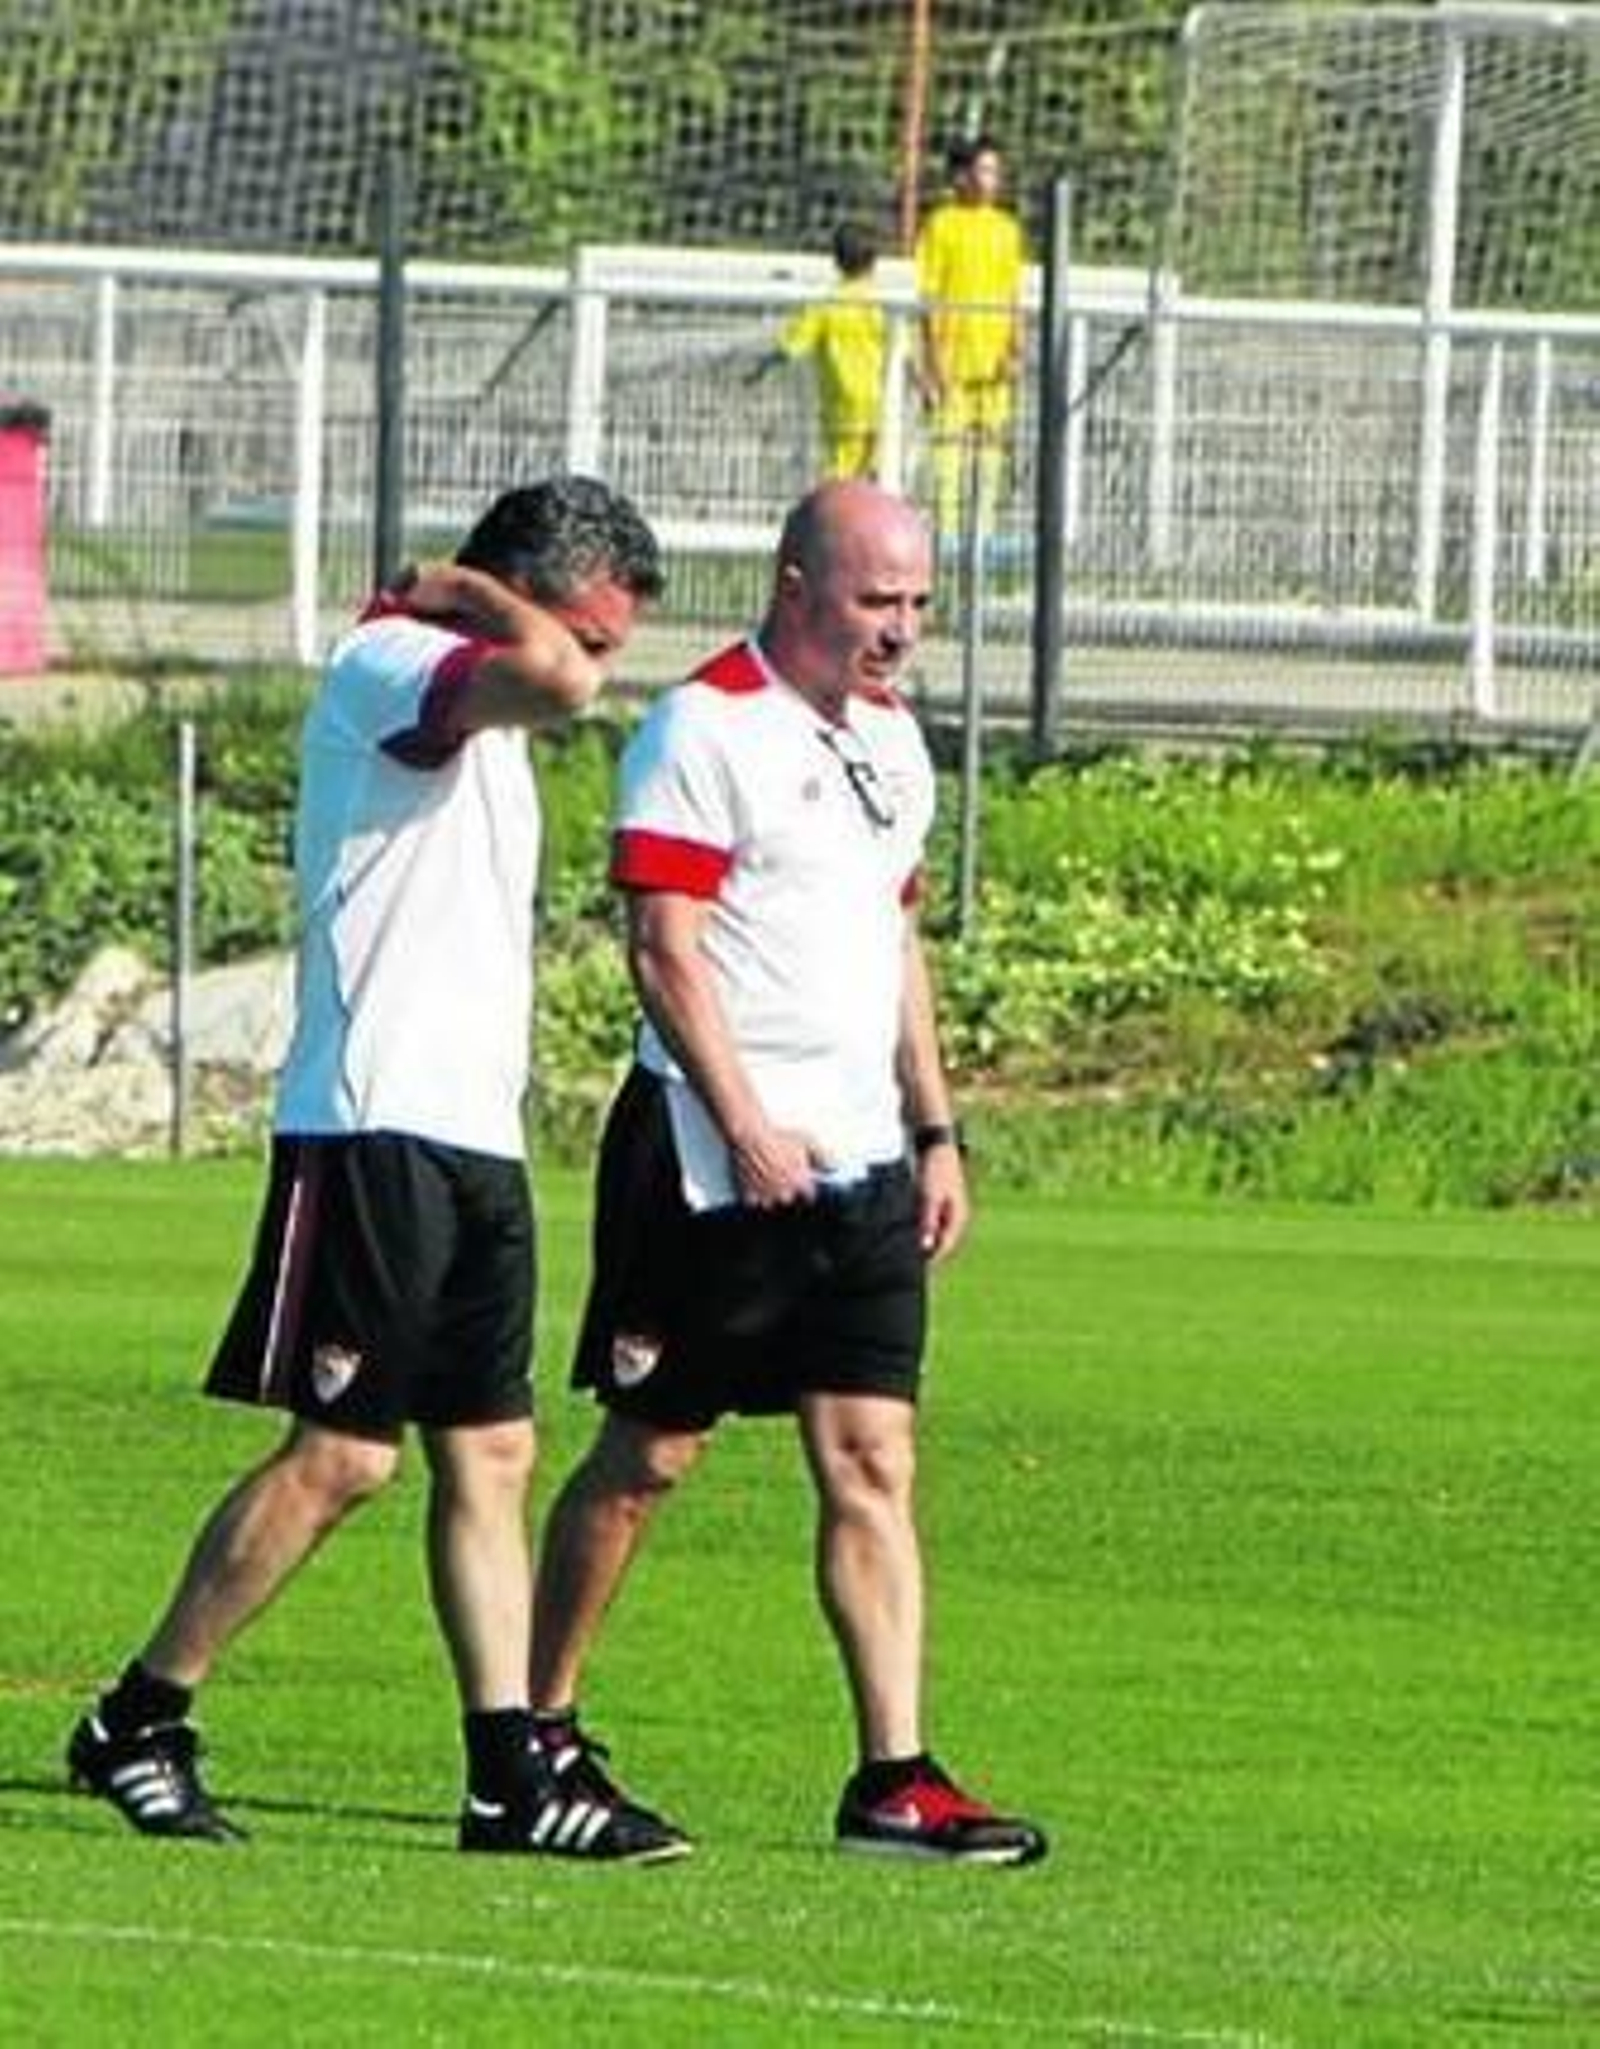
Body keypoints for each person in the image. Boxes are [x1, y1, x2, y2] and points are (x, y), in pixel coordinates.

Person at [65, 475, 691, 1863]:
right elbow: (553, 682)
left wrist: (511, 619)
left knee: (495, 1451)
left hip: (472, 1134)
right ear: (518, 593)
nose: (596, 670)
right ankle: (139, 1716)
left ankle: (506, 1775)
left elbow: (552, 683)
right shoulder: (393, 659)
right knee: (345, 1455)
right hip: (370, 1125)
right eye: (590, 628)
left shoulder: (480, 682)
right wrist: (461, 591)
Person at [525, 478, 1048, 1867]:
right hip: (712, 1162)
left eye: (920, 602)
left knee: (874, 1455)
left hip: (866, 1164)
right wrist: (744, 1114)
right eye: (880, 600)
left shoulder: (894, 742)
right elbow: (663, 946)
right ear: (797, 582)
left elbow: (896, 949)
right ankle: (540, 1730)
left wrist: (935, 1131)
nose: (902, 630)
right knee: (652, 1454)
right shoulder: (702, 728)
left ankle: (893, 1775)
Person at [913, 134, 1027, 540]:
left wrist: (1017, 347)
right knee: (947, 453)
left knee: (991, 452)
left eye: (996, 171)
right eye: (983, 170)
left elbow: (1014, 294)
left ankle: (983, 535)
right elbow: (926, 295)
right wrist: (930, 361)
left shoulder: (1007, 229)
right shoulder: (941, 225)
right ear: (960, 176)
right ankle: (947, 536)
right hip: (952, 363)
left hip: (993, 364)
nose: (991, 179)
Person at [762, 220, 888, 480]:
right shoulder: (884, 304)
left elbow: (790, 347)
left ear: (836, 261)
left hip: (839, 403)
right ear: (874, 261)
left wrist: (761, 366)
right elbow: (901, 349)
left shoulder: (825, 305)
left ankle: (839, 517)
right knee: (873, 468)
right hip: (878, 400)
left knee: (840, 470)